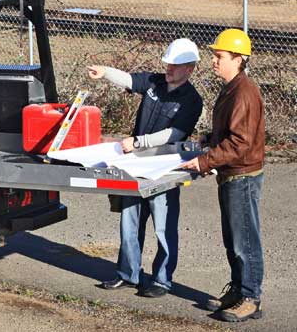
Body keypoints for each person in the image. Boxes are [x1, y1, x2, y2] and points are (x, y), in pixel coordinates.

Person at [87, 38, 204, 298]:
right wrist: (105, 72)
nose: (168, 69)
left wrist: (139, 142)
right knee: (129, 222)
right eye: (167, 64)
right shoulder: (155, 82)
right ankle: (128, 274)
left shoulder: (193, 101)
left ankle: (162, 280)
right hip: (135, 165)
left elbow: (175, 133)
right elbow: (129, 80)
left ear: (190, 69)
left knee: (163, 227)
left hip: (164, 168)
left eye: (175, 65)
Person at [180, 29, 265, 322]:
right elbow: (231, 133)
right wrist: (208, 138)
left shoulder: (243, 91)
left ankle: (251, 297)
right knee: (233, 239)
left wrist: (203, 162)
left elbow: (239, 143)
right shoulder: (232, 87)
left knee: (245, 242)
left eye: (219, 56)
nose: (214, 61)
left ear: (238, 59)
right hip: (232, 174)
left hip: (242, 176)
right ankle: (239, 291)